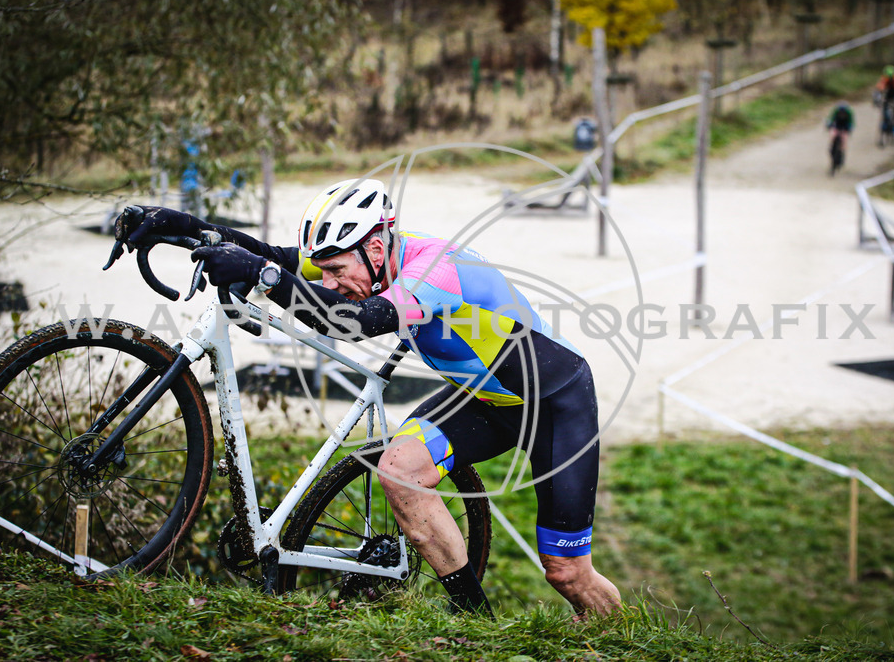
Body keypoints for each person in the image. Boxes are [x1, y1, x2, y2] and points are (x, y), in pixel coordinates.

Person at [115, 178, 623, 617]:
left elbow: (353, 321)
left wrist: (264, 278)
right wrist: (178, 226)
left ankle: (616, 634)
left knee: (566, 574)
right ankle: (473, 617)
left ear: (375, 250)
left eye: (336, 272)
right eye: (327, 272)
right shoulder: (362, 256)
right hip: (484, 400)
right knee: (399, 474)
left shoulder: (434, 271)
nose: (330, 282)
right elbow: (276, 260)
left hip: (554, 406)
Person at [875, 64, 894, 134]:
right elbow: (880, 88)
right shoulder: (884, 78)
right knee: (885, 107)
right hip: (889, 92)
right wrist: (877, 99)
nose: (889, 78)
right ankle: (885, 123)